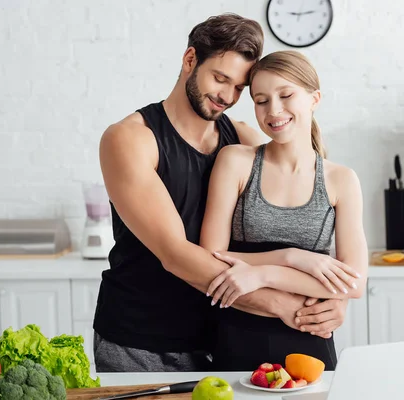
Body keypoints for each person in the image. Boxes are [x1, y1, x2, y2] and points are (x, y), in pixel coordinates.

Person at [93, 14, 350, 373]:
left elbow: (286, 222)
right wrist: (292, 309)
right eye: (220, 78)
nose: (227, 97)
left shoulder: (243, 139)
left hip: (223, 337)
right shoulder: (131, 139)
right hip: (144, 342)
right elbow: (176, 255)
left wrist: (332, 302)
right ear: (189, 60)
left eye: (239, 88)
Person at [200, 50, 369, 371]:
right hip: (236, 337)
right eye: (261, 100)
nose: (273, 110)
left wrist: (264, 273)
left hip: (310, 341)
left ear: (314, 98)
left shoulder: (341, 180)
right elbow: (211, 256)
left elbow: (353, 283)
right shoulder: (236, 161)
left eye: (286, 95)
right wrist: (293, 258)